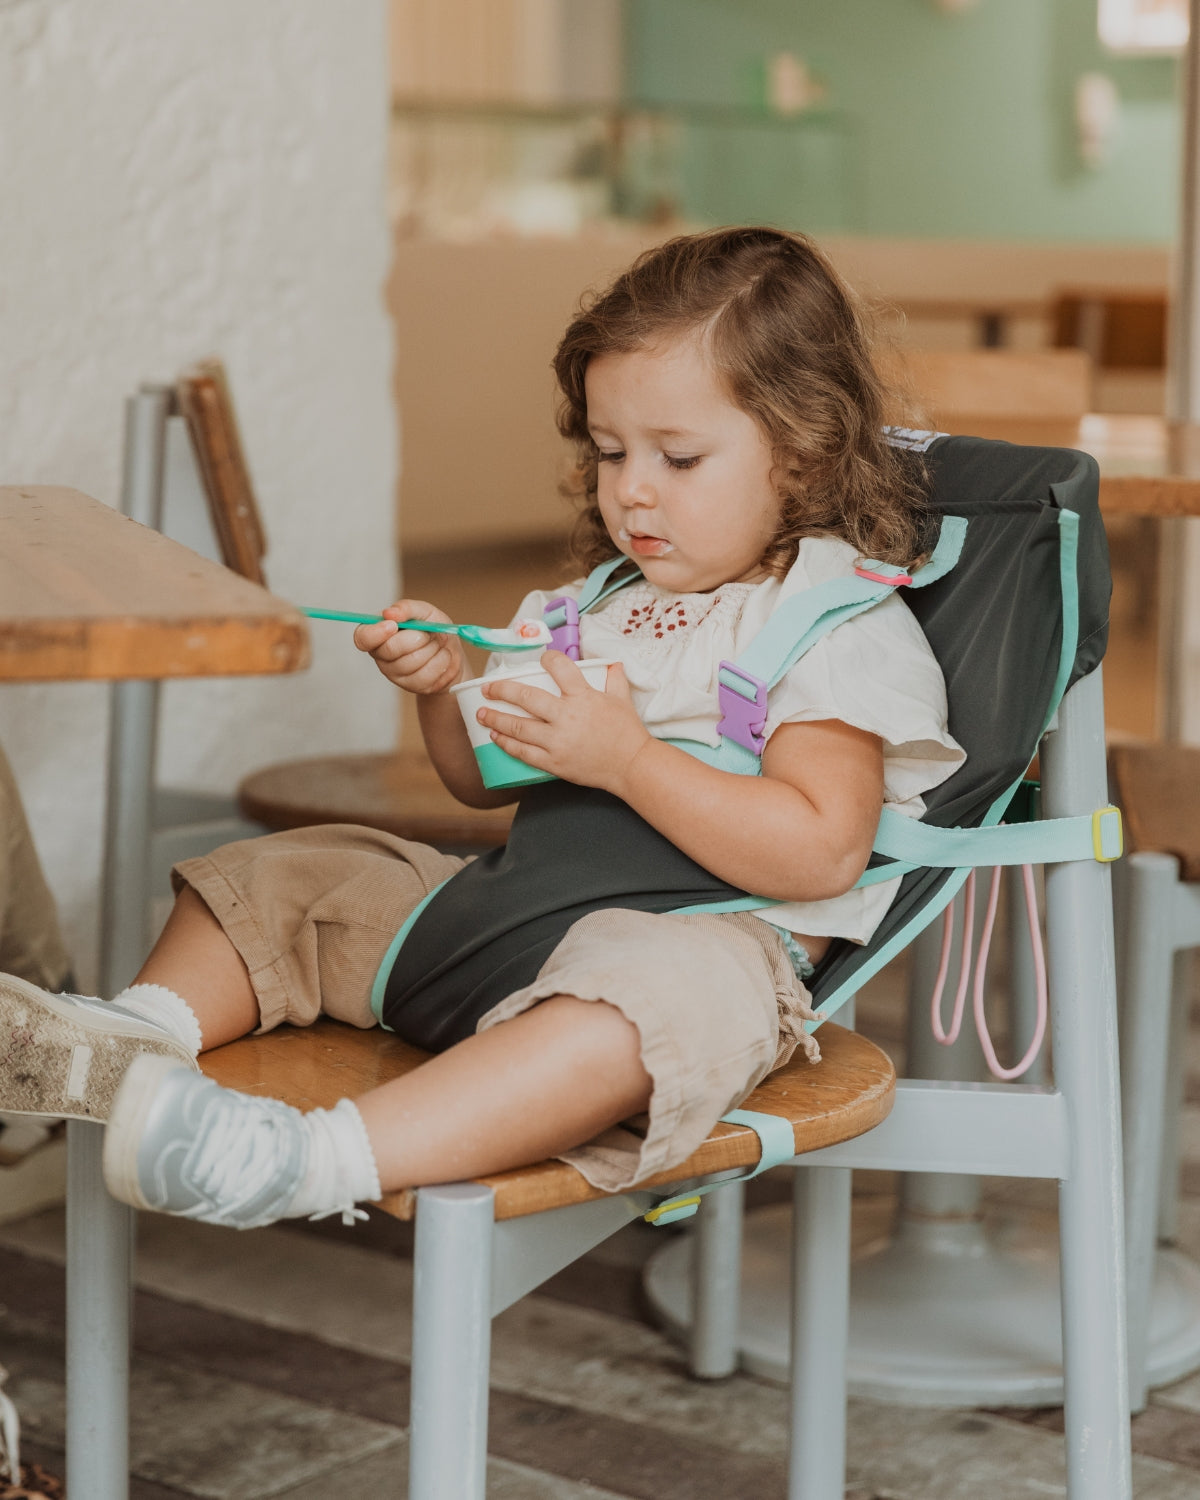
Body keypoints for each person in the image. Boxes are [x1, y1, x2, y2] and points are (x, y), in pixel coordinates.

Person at [0, 227, 963, 1228]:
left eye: (678, 457)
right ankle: (128, 1045)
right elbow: (482, 780)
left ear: (801, 455)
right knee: (288, 874)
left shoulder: (827, 624)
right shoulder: (600, 603)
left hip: (701, 947)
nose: (633, 486)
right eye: (609, 451)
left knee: (636, 1020)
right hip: (506, 922)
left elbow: (821, 849)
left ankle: (310, 1159)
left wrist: (629, 760)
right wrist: (442, 685)